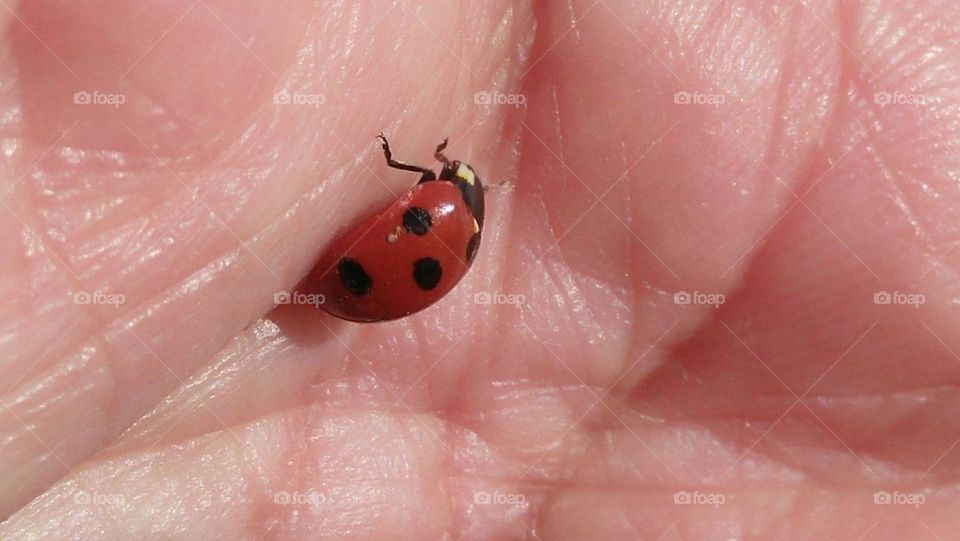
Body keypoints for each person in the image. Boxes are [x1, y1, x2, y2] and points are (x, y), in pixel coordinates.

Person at [0, 1, 955, 539]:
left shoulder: (446, 208)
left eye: (443, 172)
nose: (444, 177)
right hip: (355, 298)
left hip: (356, 295)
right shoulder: (454, 222)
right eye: (449, 171)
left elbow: (403, 200)